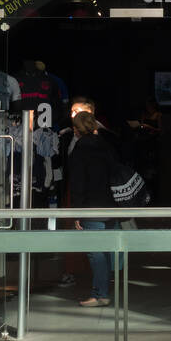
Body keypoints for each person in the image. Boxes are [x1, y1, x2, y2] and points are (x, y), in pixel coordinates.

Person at [66, 111, 116, 307]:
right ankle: (103, 291)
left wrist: (76, 214)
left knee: (95, 252)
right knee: (105, 251)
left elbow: (78, 185)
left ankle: (99, 294)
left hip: (91, 206)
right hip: (111, 205)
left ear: (77, 130)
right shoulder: (106, 145)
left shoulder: (80, 149)